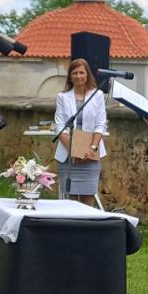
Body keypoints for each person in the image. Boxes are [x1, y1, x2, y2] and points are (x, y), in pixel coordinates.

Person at [54, 58, 107, 206]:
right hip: (68, 156)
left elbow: (100, 124)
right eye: (75, 73)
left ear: (87, 74)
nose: (78, 76)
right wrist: (74, 151)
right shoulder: (62, 97)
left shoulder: (97, 95)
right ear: (70, 77)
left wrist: (92, 148)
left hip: (90, 154)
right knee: (70, 202)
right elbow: (59, 126)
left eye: (81, 72)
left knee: (87, 201)